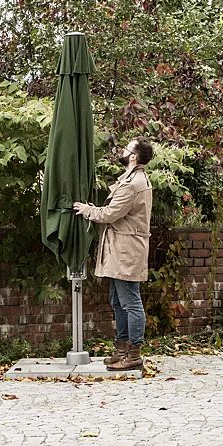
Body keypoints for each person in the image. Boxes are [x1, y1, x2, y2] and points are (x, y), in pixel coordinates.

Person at [73, 137, 153, 370]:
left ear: (133, 156)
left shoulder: (132, 183)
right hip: (121, 248)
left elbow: (110, 213)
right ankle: (122, 350)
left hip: (126, 250)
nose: (122, 150)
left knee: (130, 301)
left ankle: (134, 353)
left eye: (127, 148)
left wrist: (86, 209)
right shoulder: (131, 179)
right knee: (118, 300)